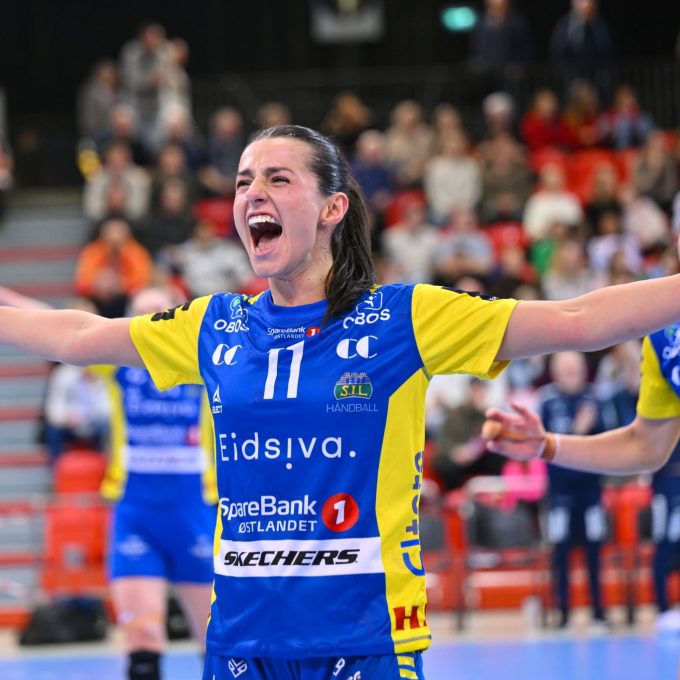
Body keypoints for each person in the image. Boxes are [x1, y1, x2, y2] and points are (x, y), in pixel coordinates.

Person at [3, 125, 680, 679]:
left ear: (333, 208)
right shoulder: (214, 326)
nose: (252, 192)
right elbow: (79, 336)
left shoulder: (404, 319)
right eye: (243, 181)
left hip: (367, 641)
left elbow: (577, 321)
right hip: (241, 645)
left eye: (278, 178)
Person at [0, 285, 217, 680]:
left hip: (194, 513)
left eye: (160, 310)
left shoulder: (204, 362)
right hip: (136, 514)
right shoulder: (119, 366)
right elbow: (60, 327)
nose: (151, 319)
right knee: (143, 637)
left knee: (214, 641)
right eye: (142, 312)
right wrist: (8, 299)